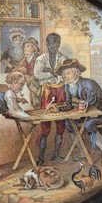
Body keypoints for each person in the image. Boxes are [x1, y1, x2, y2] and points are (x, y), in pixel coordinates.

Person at [53, 59, 102, 166]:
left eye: (68, 73)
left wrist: (81, 106)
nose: (65, 76)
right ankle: (83, 152)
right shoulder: (67, 86)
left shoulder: (89, 83)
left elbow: (93, 102)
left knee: (89, 124)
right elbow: (69, 104)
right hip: (88, 113)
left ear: (76, 73)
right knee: (68, 123)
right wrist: (58, 108)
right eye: (64, 74)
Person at [33, 33, 69, 164]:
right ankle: (41, 157)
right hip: (47, 92)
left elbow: (65, 75)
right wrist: (51, 73)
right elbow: (37, 74)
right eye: (53, 43)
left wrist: (53, 73)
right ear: (47, 44)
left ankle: (56, 154)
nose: (55, 46)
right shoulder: (41, 59)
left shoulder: (63, 58)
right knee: (45, 125)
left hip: (61, 91)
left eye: (57, 43)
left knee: (60, 124)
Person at [15, 37, 41, 108]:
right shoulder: (24, 59)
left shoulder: (38, 58)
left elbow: (38, 72)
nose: (25, 49)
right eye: (25, 47)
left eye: (28, 46)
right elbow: (18, 68)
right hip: (27, 82)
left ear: (33, 48)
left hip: (36, 82)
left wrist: (26, 71)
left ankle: (36, 103)